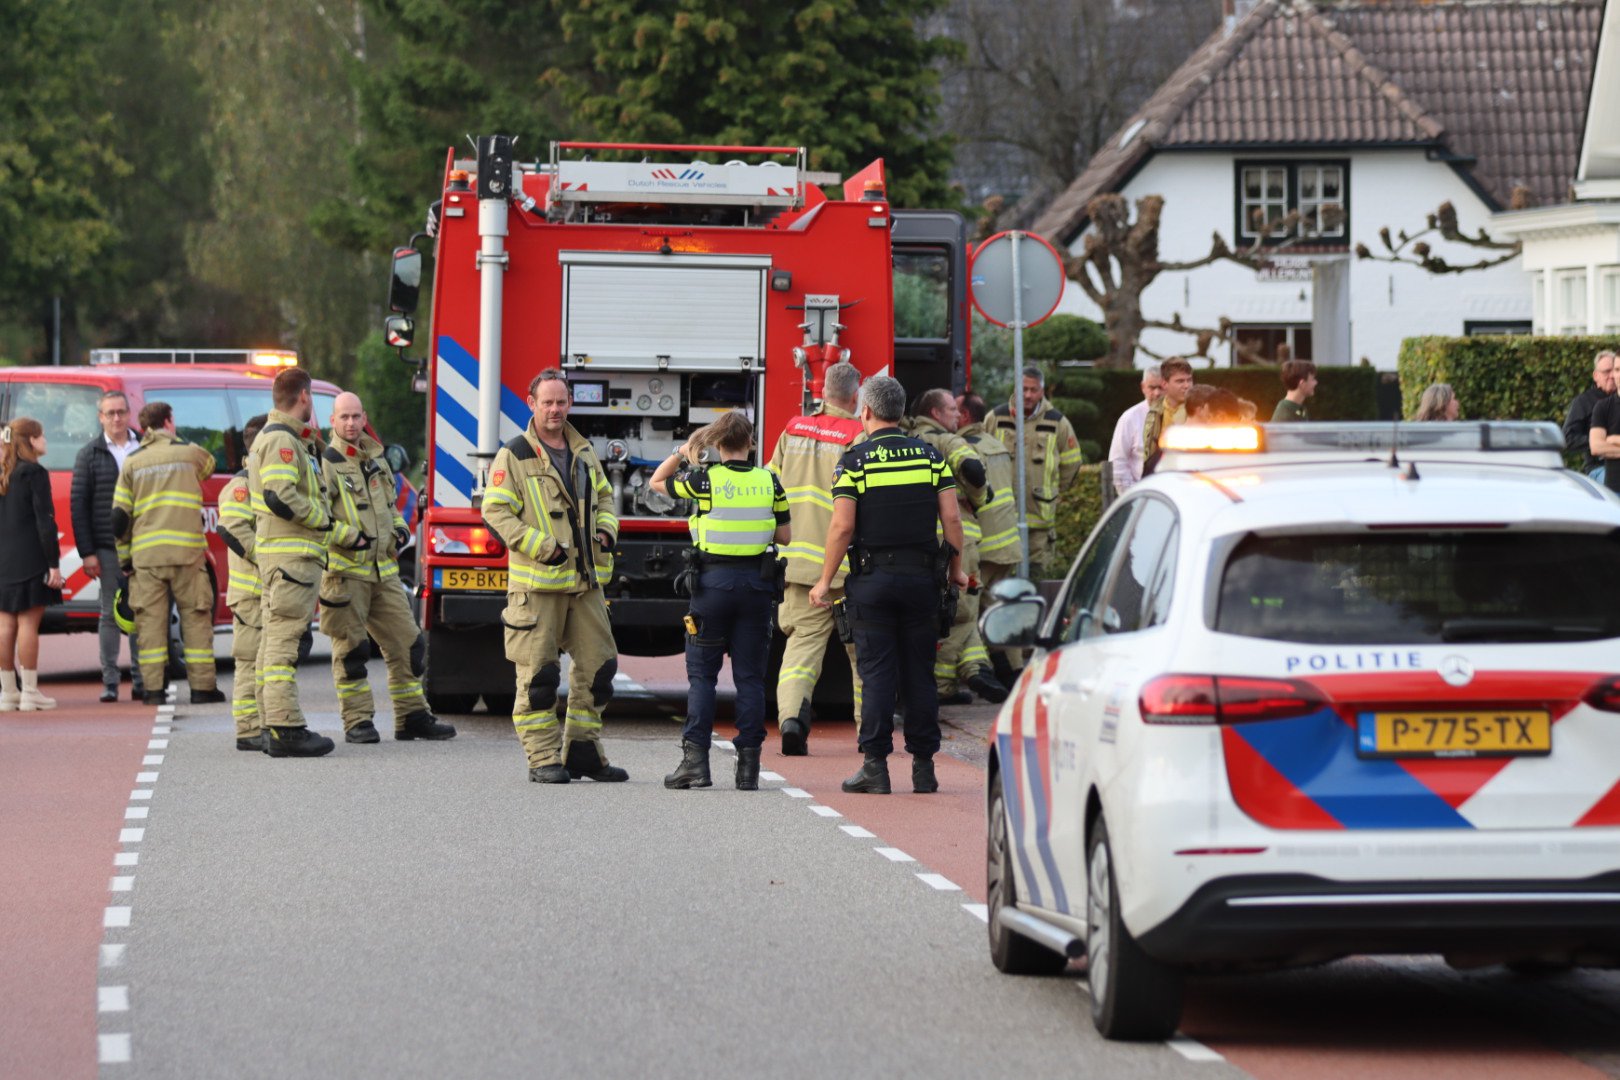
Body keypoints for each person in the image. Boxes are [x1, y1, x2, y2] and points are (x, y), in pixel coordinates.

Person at [810, 376, 967, 796]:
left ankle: (875, 768)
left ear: (865, 412)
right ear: (900, 413)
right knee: (920, 674)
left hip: (873, 584)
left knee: (877, 674)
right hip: (922, 583)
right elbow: (952, 520)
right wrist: (956, 571)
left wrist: (825, 581)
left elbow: (843, 526)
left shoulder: (855, 461)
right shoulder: (931, 457)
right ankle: (924, 768)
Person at [481, 369, 626, 785]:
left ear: (569, 403)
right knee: (539, 677)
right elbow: (495, 512)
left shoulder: (583, 450)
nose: (555, 409)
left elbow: (603, 496)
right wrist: (541, 545)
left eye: (561, 402)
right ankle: (543, 757)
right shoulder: (514, 454)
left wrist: (607, 529)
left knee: (600, 668)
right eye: (547, 402)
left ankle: (582, 751)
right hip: (538, 586)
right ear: (531, 403)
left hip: (585, 584)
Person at [652, 412, 790, 790]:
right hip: (757, 589)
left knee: (702, 677)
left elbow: (657, 482)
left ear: (718, 444)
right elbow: (786, 535)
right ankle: (748, 770)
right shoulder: (769, 481)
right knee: (749, 678)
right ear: (752, 443)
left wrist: (683, 451)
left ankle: (695, 763)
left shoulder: (704, 480)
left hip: (711, 588)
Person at [318, 392, 454, 744]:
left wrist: (400, 528)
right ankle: (358, 721)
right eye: (343, 417)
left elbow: (391, 508)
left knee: (409, 645)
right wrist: (352, 537)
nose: (350, 423)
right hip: (345, 574)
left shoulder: (377, 460)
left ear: (365, 418)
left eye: (355, 417)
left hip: (384, 571)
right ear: (332, 421)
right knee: (351, 652)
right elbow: (316, 519)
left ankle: (412, 717)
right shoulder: (325, 462)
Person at [251, 367, 358, 758]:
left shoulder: (282, 437)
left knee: (272, 643)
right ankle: (286, 728)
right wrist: (323, 518)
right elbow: (280, 496)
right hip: (292, 559)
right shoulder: (282, 440)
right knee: (283, 644)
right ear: (306, 398)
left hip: (282, 558)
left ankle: (270, 724)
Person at [766, 360, 864, 756]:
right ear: (856, 397)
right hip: (846, 567)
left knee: (801, 651)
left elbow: (770, 482)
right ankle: (867, 735)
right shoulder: (859, 435)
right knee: (864, 656)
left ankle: (791, 720)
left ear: (822, 393)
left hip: (797, 565)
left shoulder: (794, 429)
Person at [112, 401, 224, 707]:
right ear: (169, 421)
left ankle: (153, 691)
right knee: (196, 619)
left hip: (148, 558)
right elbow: (210, 465)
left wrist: (125, 558)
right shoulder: (189, 453)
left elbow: (119, 519)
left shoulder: (133, 462)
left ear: (144, 426)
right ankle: (202, 689)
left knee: (150, 625)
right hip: (187, 554)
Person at [909, 389, 1005, 706]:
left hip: (918, 538)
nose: (956, 415)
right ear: (936, 413)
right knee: (961, 610)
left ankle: (976, 667)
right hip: (955, 536)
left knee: (933, 610)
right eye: (951, 409)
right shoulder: (948, 441)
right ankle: (945, 683)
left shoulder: (906, 436)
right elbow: (974, 471)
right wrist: (979, 497)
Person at [70, 391, 145, 702]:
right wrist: (87, 552)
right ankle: (111, 681)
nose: (116, 418)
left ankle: (143, 680)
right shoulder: (89, 454)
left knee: (142, 611)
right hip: (106, 545)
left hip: (143, 543)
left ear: (129, 414)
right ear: (100, 417)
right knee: (109, 613)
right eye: (110, 413)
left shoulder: (143, 447)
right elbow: (78, 505)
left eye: (121, 412)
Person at [988, 365, 1081, 577]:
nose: (1028, 395)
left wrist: (1053, 491)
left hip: (1040, 516)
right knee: (1001, 574)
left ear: (1042, 391)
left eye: (1033, 390)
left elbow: (1072, 462)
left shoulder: (1057, 422)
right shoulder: (996, 418)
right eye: (1024, 389)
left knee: (1038, 573)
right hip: (1003, 517)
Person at [957, 392, 1022, 688]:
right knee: (999, 609)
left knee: (968, 611)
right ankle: (1013, 673)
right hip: (1006, 542)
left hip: (982, 544)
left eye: (954, 410)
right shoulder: (996, 444)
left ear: (966, 417)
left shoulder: (966, 451)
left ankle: (986, 673)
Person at [0, 418, 63, 711]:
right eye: (42, 436)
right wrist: (53, 564)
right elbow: (45, 521)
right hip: (30, 556)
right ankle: (30, 692)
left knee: (5, 624)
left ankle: (8, 692)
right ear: (31, 440)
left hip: (3, 558)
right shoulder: (33, 472)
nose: (46, 441)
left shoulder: (5, 472)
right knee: (28, 624)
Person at [216, 415, 268, 749]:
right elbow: (233, 529)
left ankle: (262, 723)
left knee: (266, 660)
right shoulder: (242, 485)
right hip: (251, 591)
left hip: (266, 590)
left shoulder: (263, 478)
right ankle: (248, 729)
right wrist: (269, 560)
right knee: (250, 660)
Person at [1107, 366, 1164, 496]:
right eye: (1152, 387)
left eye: (1160, 387)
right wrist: (1132, 496)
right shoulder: (1129, 418)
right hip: (1140, 498)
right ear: (1143, 387)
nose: (1156, 393)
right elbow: (1118, 462)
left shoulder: (1178, 416)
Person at [1565, 350, 1616, 480]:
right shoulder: (1584, 402)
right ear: (1596, 376)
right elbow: (1568, 437)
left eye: (1615, 370)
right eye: (1606, 372)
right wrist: (1599, 441)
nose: (1611, 376)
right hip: (1599, 467)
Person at [1141, 356, 1194, 464]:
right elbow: (1148, 453)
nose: (1186, 385)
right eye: (1180, 381)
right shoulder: (1154, 412)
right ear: (1164, 384)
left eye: (1189, 380)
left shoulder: (1198, 409)